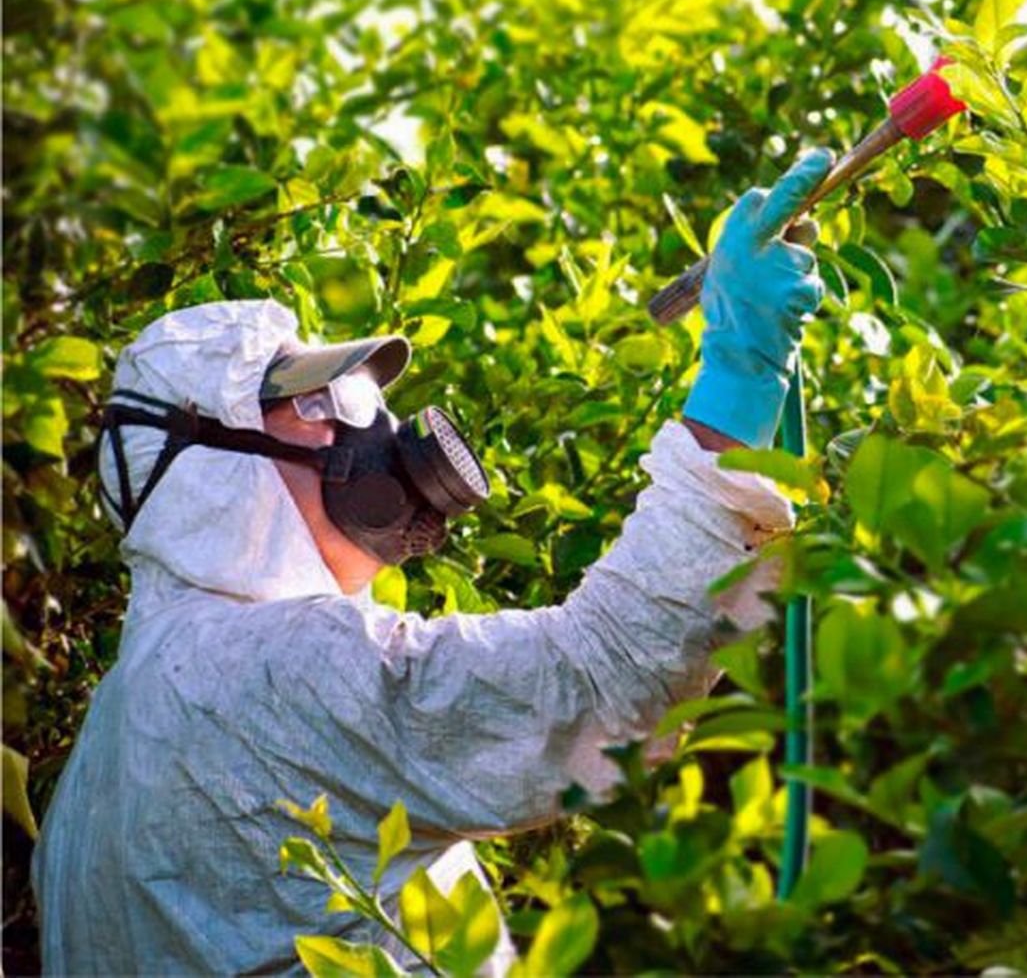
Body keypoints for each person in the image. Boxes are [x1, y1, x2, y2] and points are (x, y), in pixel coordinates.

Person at [32, 150, 834, 974]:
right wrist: (738, 381)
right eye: (317, 401)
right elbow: (606, 677)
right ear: (208, 466)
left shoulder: (105, 751)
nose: (367, 420)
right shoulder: (275, 668)